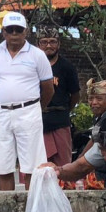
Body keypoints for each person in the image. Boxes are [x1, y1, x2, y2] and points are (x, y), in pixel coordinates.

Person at [0, 11, 54, 191]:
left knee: (32, 166)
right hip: (2, 113)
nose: (14, 34)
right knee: (4, 165)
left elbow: (48, 87)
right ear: (3, 32)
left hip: (29, 112)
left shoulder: (37, 55)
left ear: (26, 32)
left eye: (18, 30)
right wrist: (7, 98)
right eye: (10, 30)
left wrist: (37, 108)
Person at [36, 27, 81, 167]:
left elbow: (75, 95)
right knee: (37, 166)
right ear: (38, 44)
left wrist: (65, 109)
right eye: (44, 42)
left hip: (59, 120)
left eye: (52, 41)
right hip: (36, 120)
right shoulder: (32, 66)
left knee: (63, 166)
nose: (48, 45)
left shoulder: (66, 67)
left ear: (59, 44)